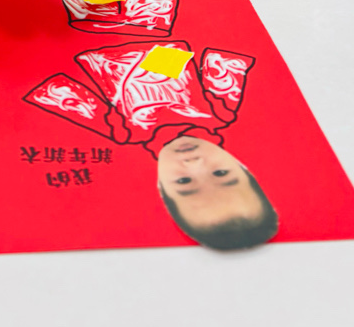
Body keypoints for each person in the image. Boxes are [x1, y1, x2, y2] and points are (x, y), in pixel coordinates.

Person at [25, 40, 278, 250]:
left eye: (184, 182)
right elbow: (186, 47)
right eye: (221, 173)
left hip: (75, 36)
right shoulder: (218, 106)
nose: (195, 164)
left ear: (160, 185)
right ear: (241, 166)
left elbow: (52, 87)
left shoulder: (118, 127)